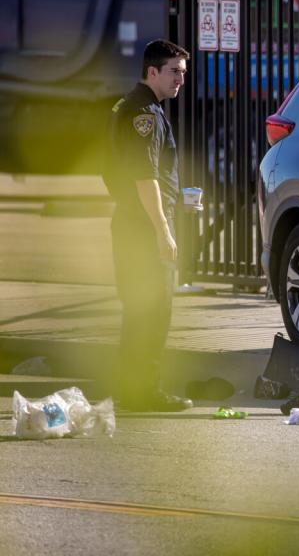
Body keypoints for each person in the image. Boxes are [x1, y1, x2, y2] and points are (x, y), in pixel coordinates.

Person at [102, 39, 193, 411]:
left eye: (183, 73)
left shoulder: (129, 106)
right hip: (143, 227)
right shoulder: (145, 115)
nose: (180, 81)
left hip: (129, 220)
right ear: (151, 71)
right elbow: (145, 177)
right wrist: (163, 229)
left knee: (138, 310)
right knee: (154, 310)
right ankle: (146, 392)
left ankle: (130, 390)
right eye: (174, 72)